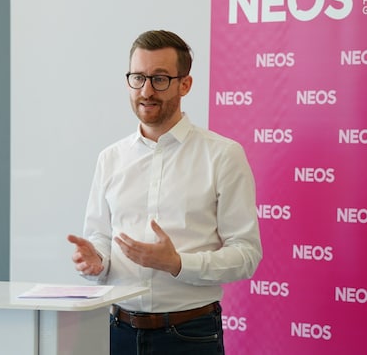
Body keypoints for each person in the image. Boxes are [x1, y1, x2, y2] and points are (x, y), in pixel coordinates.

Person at [67, 30, 262, 354]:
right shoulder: (110, 158)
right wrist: (97, 261)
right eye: (138, 77)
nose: (146, 91)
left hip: (190, 335)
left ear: (184, 84)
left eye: (159, 79)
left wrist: (177, 263)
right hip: (118, 332)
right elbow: (100, 237)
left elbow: (246, 254)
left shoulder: (223, 155)